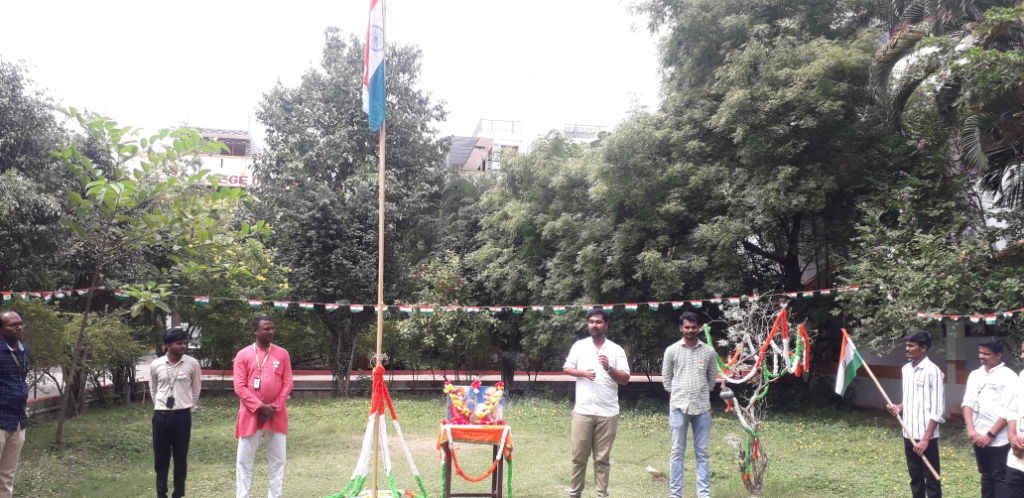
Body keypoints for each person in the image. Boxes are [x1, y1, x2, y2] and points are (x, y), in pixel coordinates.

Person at [563, 309, 630, 498]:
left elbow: (625, 379)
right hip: (583, 411)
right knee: (578, 457)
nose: (594, 325)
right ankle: (575, 493)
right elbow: (567, 368)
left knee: (602, 459)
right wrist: (583, 373)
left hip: (607, 412)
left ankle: (601, 494)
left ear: (606, 325)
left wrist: (609, 367)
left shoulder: (616, 350)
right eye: (591, 321)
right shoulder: (580, 346)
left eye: (598, 322)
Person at [234, 316, 293, 498]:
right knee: (244, 460)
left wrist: (273, 407)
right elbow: (239, 387)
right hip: (250, 415)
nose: (271, 332)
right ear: (255, 331)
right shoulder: (243, 355)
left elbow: (287, 383)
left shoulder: (282, 353)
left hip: (276, 414)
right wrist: (259, 407)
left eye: (272, 328)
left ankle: (275, 495)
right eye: (266, 328)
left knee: (278, 460)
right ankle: (243, 495)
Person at [661, 311, 717, 498]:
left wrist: (700, 394)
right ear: (681, 328)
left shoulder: (708, 351)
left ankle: (703, 494)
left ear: (699, 328)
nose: (690, 330)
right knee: (677, 452)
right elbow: (667, 380)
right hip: (679, 408)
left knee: (702, 453)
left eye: (694, 327)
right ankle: (675, 494)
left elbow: (711, 380)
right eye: (687, 327)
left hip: (702, 409)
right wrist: (679, 395)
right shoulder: (672, 351)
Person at [887, 329, 945, 498]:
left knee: (932, 480)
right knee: (915, 478)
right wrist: (899, 407)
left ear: (923, 348)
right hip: (908, 432)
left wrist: (926, 439)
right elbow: (911, 398)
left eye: (911, 346)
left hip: (926, 437)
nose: (907, 349)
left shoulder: (933, 371)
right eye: (906, 345)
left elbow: (938, 409)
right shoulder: (906, 369)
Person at [149, 327, 202, 498]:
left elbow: (196, 389)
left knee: (180, 458)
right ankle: (161, 493)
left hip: (182, 416)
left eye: (185, 343)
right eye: (179, 343)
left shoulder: (192, 363)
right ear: (168, 345)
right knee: (161, 458)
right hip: (160, 416)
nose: (183, 346)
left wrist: (188, 407)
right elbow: (153, 389)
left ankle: (178, 493)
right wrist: (161, 406)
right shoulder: (156, 364)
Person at [962, 337, 1015, 498]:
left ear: (998, 355)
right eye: (980, 353)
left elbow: (1010, 410)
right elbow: (967, 403)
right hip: (978, 435)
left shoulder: (1008, 376)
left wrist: (990, 435)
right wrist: (971, 430)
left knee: (1000, 476)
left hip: (1000, 438)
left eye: (987, 354)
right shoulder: (975, 375)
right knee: (985, 475)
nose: (982, 356)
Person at [0, 312, 29, 498]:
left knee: (7, 475)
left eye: (20, 324)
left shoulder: (24, 351)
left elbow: (21, 380)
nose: (18, 327)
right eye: (12, 325)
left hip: (18, 421)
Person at [1005, 339, 1024, 494]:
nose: (1022, 356)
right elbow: (1013, 408)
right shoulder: (1022, 376)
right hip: (1018, 456)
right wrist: (1012, 436)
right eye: (1022, 351)